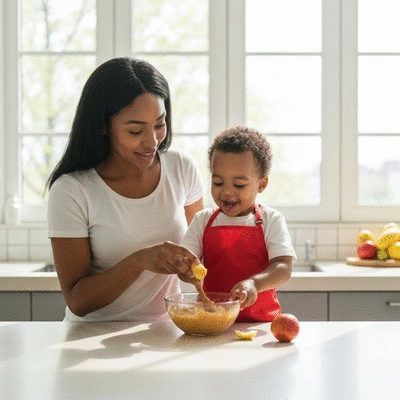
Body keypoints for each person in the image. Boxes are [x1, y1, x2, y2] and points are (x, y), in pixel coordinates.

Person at [46, 57, 204, 322]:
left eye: (159, 124)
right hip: (90, 338)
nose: (152, 141)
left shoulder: (181, 168)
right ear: (103, 126)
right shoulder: (72, 191)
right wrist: (142, 260)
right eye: (135, 130)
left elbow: (201, 249)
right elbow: (77, 300)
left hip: (165, 332)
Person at [181, 126, 296, 322]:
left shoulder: (271, 220)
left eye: (239, 185)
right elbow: (185, 262)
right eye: (218, 182)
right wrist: (185, 269)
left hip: (261, 324)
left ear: (261, 184)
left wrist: (254, 284)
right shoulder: (203, 220)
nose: (227, 192)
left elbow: (283, 267)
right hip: (211, 321)